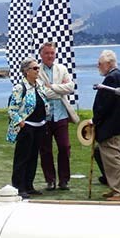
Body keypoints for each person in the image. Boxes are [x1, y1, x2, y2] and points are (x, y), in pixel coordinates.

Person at [92, 50, 120, 201]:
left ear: (109, 64)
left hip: (112, 126)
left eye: (100, 63)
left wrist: (95, 119)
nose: (98, 66)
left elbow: (104, 104)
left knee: (113, 157)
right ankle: (115, 187)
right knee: (110, 158)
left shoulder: (111, 78)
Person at [7, 57, 50, 198]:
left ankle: (29, 185)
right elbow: (12, 109)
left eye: (38, 68)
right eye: (35, 68)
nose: (38, 70)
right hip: (27, 127)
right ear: (26, 71)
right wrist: (21, 122)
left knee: (33, 157)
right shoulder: (20, 88)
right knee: (22, 157)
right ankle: (19, 187)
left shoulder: (39, 85)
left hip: (39, 126)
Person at [37, 41, 76, 191]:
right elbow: (42, 92)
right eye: (47, 53)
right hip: (44, 116)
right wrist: (60, 90)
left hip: (60, 115)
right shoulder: (37, 70)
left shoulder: (62, 69)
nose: (50, 56)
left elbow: (71, 87)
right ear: (41, 54)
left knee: (64, 147)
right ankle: (50, 180)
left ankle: (64, 180)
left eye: (52, 53)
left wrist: (52, 87)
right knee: (45, 149)